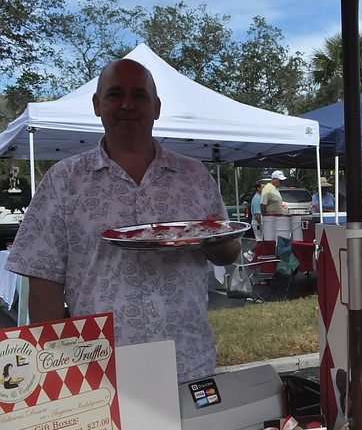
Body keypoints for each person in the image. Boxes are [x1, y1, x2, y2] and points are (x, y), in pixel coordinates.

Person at [4, 58, 240, 384]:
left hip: (187, 362)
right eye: (115, 94)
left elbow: (227, 254)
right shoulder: (64, 181)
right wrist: (52, 369)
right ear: (97, 105)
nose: (127, 104)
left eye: (139, 96)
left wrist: (219, 238)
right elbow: (43, 280)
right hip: (100, 370)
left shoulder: (194, 177)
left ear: (156, 108)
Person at [260, 170, 285, 241]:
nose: (281, 182)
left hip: (277, 219)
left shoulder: (276, 189)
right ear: (273, 179)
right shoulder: (268, 189)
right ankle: (251, 252)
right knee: (267, 239)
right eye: (279, 180)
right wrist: (266, 219)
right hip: (270, 219)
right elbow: (263, 204)